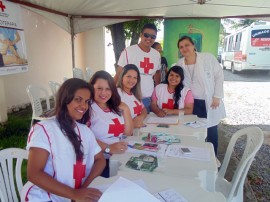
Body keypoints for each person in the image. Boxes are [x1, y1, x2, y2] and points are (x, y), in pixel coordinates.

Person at [21, 78, 106, 202]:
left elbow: (100, 159)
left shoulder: (85, 132)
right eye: (78, 99)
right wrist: (74, 194)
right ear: (64, 99)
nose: (84, 106)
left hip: (74, 195)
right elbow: (34, 173)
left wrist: (84, 188)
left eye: (87, 101)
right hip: (44, 197)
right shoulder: (44, 129)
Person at [176, 35, 226, 156]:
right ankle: (195, 155)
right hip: (191, 103)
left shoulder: (207, 58)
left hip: (208, 101)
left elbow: (219, 75)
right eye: (181, 47)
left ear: (193, 46)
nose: (184, 48)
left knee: (211, 131)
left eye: (187, 45)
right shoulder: (180, 63)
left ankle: (213, 157)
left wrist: (217, 96)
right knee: (192, 130)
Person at [88, 70, 133, 177]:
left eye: (108, 89)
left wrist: (126, 109)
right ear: (91, 88)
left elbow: (128, 132)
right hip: (100, 161)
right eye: (99, 88)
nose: (103, 93)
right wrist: (109, 148)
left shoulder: (114, 106)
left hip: (119, 156)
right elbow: (85, 137)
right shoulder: (88, 108)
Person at [114, 23, 161, 113]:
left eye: (153, 37)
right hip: (130, 98)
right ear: (141, 35)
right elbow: (119, 74)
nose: (149, 39)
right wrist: (111, 91)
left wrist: (157, 92)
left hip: (149, 99)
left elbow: (158, 72)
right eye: (146, 35)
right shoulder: (128, 51)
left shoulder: (156, 54)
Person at [117, 64, 147, 128]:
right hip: (125, 132)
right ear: (122, 77)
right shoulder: (116, 93)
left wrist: (140, 117)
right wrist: (132, 124)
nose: (131, 80)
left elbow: (144, 109)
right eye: (128, 76)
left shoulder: (135, 94)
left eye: (135, 78)